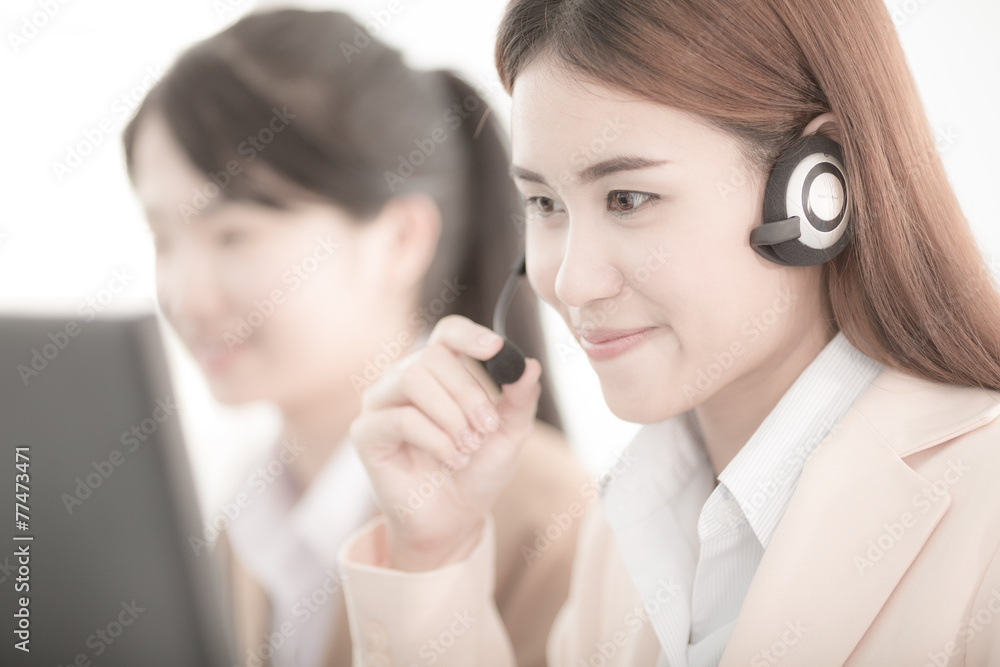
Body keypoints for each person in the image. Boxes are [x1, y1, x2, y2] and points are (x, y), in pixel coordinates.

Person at [337, 0, 1000, 665]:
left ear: (817, 184)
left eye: (628, 198)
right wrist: (434, 556)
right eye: (544, 203)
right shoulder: (631, 520)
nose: (569, 282)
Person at [121, 9, 589, 667]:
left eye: (233, 235)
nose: (184, 295)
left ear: (399, 240)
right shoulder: (249, 514)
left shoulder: (551, 521)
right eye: (163, 237)